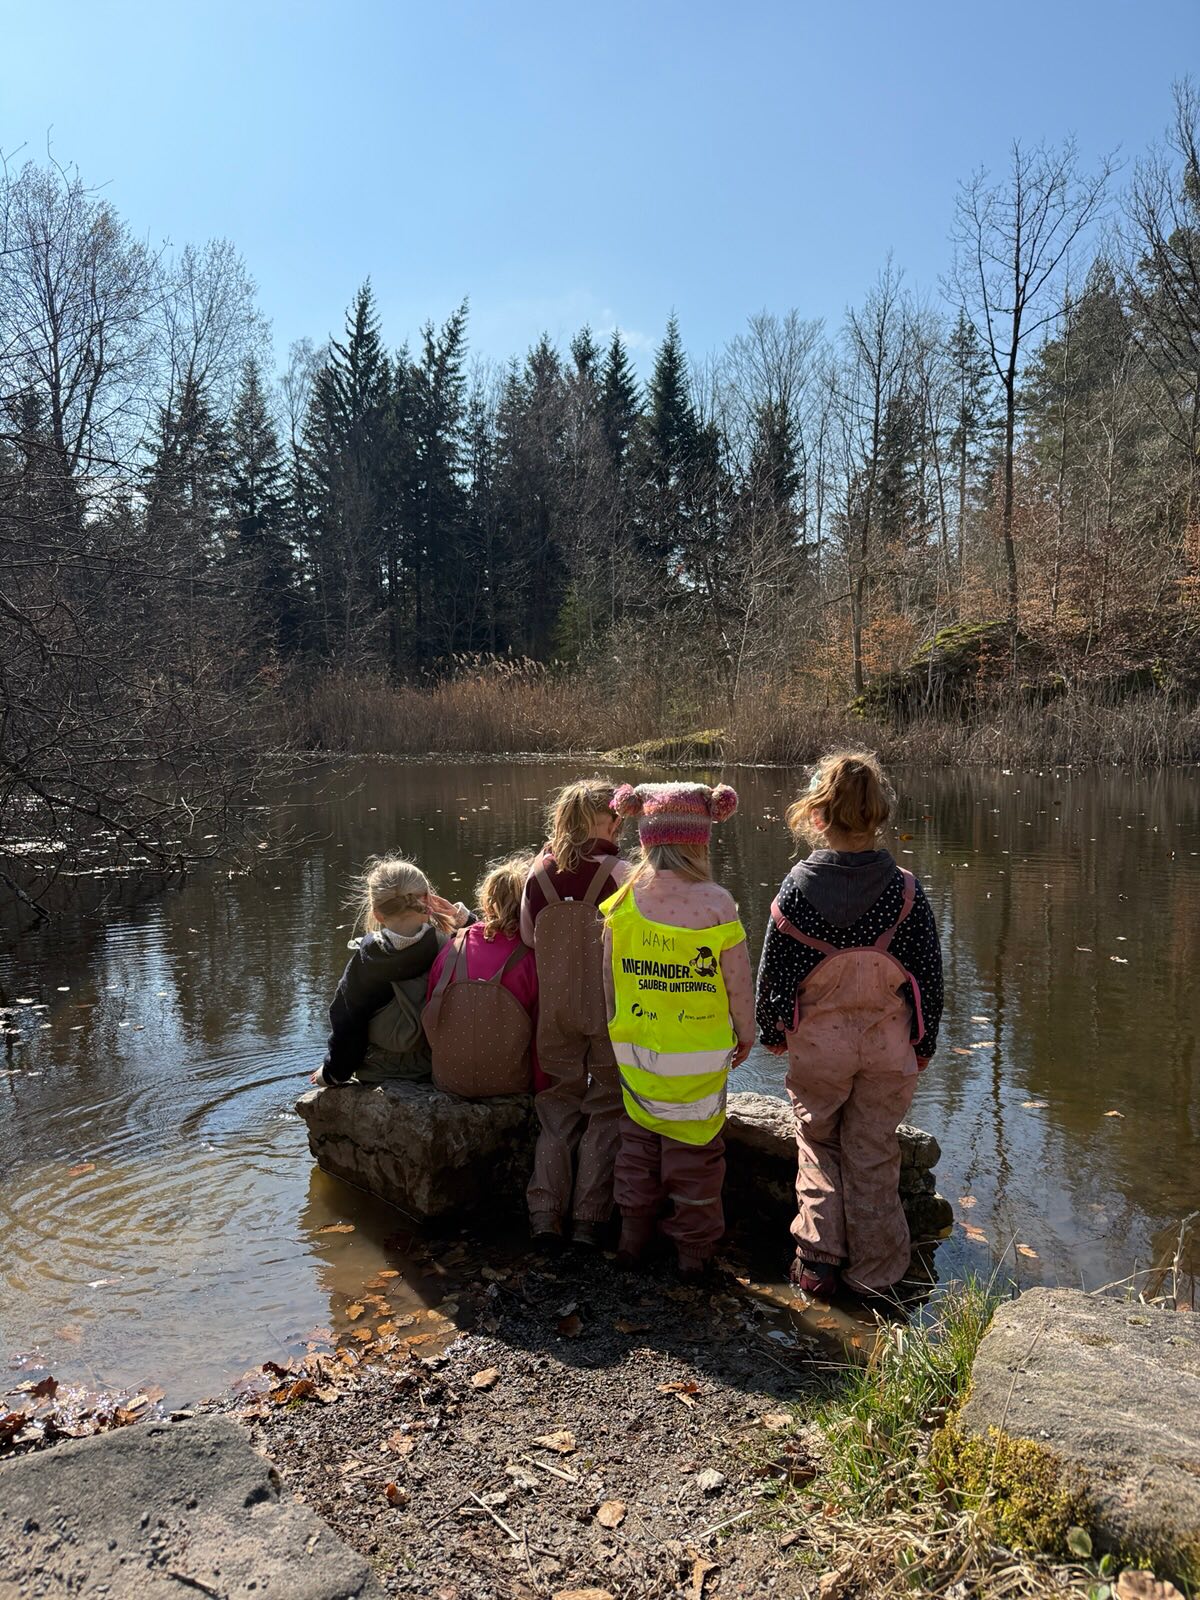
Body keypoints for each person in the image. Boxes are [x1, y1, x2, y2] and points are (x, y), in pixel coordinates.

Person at [755, 751, 943, 1305]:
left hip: (820, 1051)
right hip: (887, 1049)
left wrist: (771, 1032)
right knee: (873, 1149)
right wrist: (924, 1044)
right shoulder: (906, 891)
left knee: (817, 1143)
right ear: (880, 815)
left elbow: (775, 979)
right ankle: (878, 1277)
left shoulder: (795, 890)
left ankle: (817, 1265)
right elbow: (927, 979)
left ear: (817, 817)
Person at [601, 781, 753, 1279]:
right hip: (700, 1058)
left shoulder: (622, 902)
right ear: (700, 841)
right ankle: (693, 1255)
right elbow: (737, 984)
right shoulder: (716, 904)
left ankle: (632, 1240)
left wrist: (614, 1027)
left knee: (639, 1146)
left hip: (637, 1052)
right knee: (696, 1159)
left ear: (645, 839)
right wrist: (746, 1033)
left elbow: (610, 980)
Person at [521, 778, 629, 1248]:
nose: (621, 823)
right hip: (608, 1009)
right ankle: (588, 1217)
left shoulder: (536, 875)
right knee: (606, 1106)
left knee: (557, 1107)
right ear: (602, 822)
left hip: (557, 1010)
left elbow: (529, 939)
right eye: (615, 817)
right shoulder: (622, 872)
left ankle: (545, 1212)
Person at [313, 856, 471, 1087]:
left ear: (377, 913)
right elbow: (491, 946)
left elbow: (347, 1026)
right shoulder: (450, 946)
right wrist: (465, 920)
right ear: (428, 900)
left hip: (379, 1071)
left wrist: (331, 1072)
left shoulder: (366, 961)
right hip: (437, 1067)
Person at [424, 851, 543, 1096]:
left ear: (487, 902)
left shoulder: (452, 947)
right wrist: (541, 1093)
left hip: (448, 1080)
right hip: (511, 1084)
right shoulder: (533, 958)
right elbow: (542, 1039)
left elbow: (430, 1011)